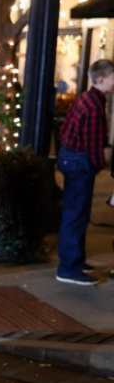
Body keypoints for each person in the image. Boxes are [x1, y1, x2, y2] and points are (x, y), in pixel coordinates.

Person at [55, 59, 114, 285]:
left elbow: (65, 130)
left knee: (76, 213)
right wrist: (99, 165)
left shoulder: (86, 99)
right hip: (80, 162)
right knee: (76, 214)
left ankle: (74, 261)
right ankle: (69, 268)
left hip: (71, 159)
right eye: (112, 77)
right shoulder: (93, 106)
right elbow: (93, 144)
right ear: (101, 79)